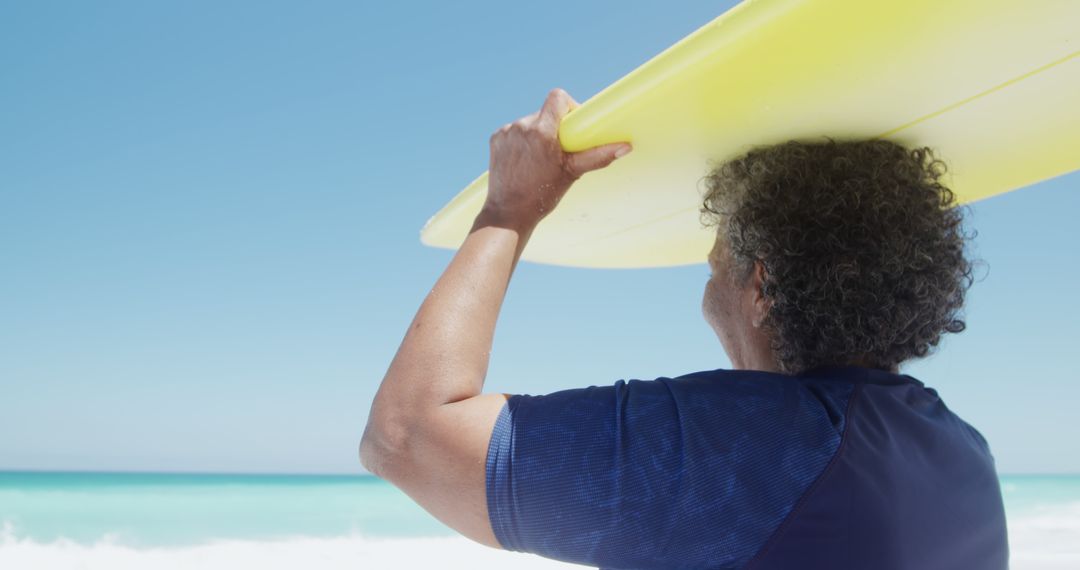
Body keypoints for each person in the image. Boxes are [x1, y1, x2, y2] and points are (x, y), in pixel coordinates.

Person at [360, 88, 1009, 569]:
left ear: (760, 287)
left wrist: (508, 211)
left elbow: (405, 435)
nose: (706, 290)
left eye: (714, 265)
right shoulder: (964, 456)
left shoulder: (744, 448)